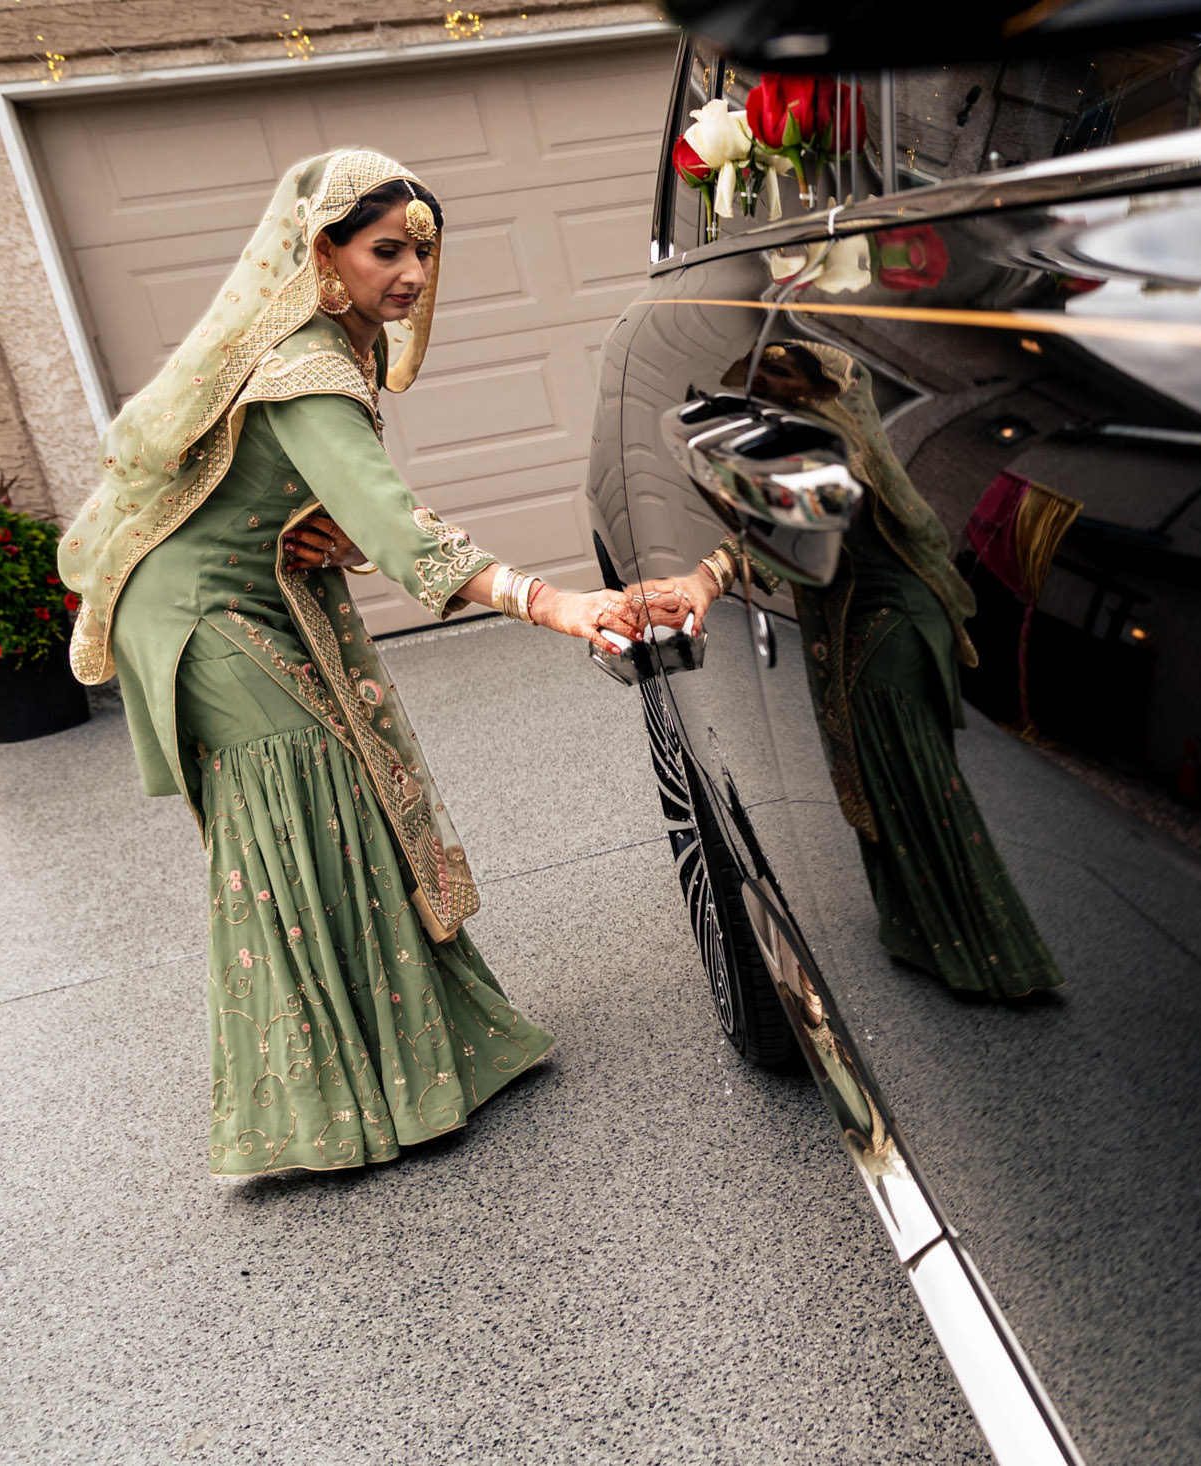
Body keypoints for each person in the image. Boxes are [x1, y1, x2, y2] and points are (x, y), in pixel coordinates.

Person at [57, 151, 641, 1176]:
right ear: (320, 253)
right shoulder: (307, 364)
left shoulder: (330, 347)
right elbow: (398, 523)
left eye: (421, 247)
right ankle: (330, 1105)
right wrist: (558, 603)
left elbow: (321, 497)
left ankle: (424, 1057)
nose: (411, 270)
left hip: (258, 591)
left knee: (347, 800)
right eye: (385, 249)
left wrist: (328, 529)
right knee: (305, 797)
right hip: (204, 616)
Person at [629, 340, 1062, 1000]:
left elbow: (787, 538)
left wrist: (708, 576)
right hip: (877, 622)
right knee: (894, 785)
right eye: (761, 376)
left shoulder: (831, 452)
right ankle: (921, 931)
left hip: (885, 632)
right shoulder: (824, 440)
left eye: (777, 376)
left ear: (809, 386)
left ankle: (994, 958)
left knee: (916, 786)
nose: (763, 389)